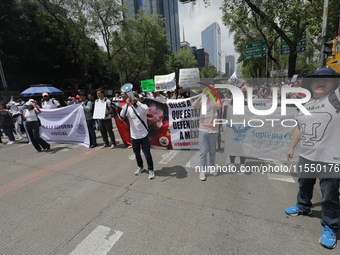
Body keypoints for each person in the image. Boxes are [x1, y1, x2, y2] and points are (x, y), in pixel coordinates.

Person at [285, 68, 340, 250]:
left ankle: (331, 227)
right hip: (307, 156)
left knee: (329, 196)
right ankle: (303, 206)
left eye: (327, 80)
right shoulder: (305, 105)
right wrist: (292, 147)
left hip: (331, 159)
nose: (321, 82)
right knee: (304, 184)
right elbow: (298, 128)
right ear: (310, 84)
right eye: (317, 80)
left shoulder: (336, 98)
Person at [120, 93, 155, 179]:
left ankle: (151, 170)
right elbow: (121, 115)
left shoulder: (142, 106)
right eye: (133, 98)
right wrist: (127, 104)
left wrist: (138, 103)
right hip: (134, 135)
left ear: (138, 98)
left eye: (135, 98)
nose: (134, 100)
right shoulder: (128, 108)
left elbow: (146, 109)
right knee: (137, 154)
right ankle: (140, 167)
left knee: (147, 154)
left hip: (144, 135)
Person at [192, 87, 221, 181]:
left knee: (212, 151)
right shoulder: (202, 100)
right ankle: (202, 171)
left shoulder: (217, 99)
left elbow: (217, 106)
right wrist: (201, 95)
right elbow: (194, 105)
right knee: (203, 152)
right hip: (203, 129)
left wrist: (211, 96)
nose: (209, 91)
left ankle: (212, 168)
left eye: (211, 90)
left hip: (213, 130)